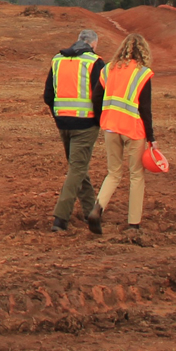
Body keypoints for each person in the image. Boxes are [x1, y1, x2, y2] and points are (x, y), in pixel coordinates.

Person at [92, 33, 156, 244]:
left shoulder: (109, 69)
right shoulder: (143, 73)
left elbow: (97, 96)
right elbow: (145, 109)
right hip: (133, 130)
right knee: (136, 175)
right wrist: (151, 137)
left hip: (110, 127)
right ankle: (133, 223)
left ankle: (97, 208)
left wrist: (102, 118)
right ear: (143, 51)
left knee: (113, 173)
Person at [42, 29, 105, 232]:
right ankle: (60, 218)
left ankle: (90, 211)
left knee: (79, 166)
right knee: (77, 169)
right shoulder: (94, 62)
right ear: (93, 44)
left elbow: (48, 95)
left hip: (63, 122)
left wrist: (58, 115)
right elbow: (99, 95)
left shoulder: (57, 60)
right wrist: (99, 119)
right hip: (85, 124)